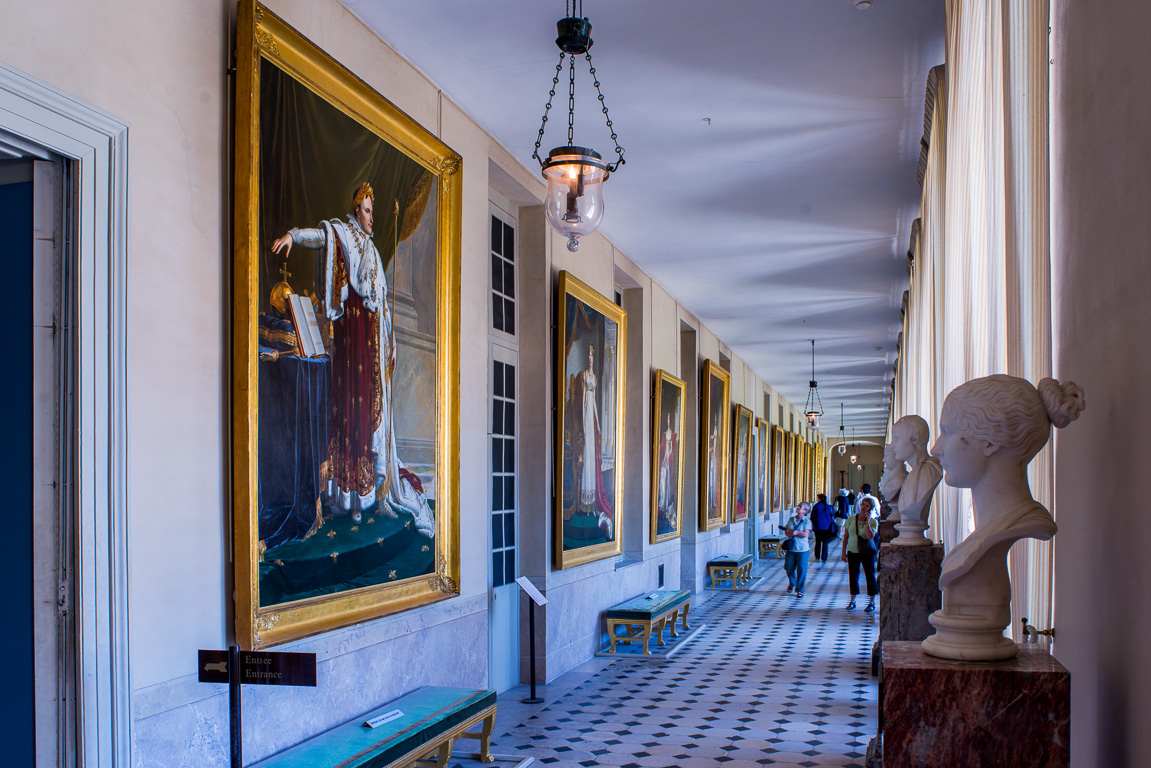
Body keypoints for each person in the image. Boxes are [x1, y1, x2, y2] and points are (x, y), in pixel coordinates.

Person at [271, 183, 433, 535]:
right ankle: (349, 498)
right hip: (350, 343)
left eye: (373, 211)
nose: (372, 218)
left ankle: (372, 492)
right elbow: (319, 236)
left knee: (369, 415)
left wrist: (391, 341)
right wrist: (293, 236)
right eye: (368, 210)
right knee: (350, 413)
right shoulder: (342, 234)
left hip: (372, 345)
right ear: (357, 208)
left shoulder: (373, 252)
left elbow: (384, 303)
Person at [922, 375, 1084, 660]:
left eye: (946, 431)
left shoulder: (1015, 523)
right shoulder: (989, 531)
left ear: (989, 442)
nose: (936, 449)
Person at [842, 495, 879, 611]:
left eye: (867, 506)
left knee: (870, 575)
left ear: (870, 509)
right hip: (853, 551)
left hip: (867, 552)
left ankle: (871, 602)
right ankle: (852, 600)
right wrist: (843, 552)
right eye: (863, 504)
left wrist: (867, 522)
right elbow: (846, 536)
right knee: (853, 576)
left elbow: (869, 537)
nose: (864, 507)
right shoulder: (851, 519)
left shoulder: (873, 522)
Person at [783, 502, 812, 597]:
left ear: (805, 511)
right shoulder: (791, 519)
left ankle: (800, 589)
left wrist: (795, 532)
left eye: (801, 507)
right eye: (798, 506)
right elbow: (786, 532)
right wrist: (796, 532)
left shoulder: (807, 521)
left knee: (801, 569)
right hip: (791, 548)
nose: (798, 507)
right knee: (788, 567)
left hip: (802, 549)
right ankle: (792, 583)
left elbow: (805, 534)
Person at [809, 493, 836, 562]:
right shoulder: (828, 507)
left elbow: (812, 516)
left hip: (818, 527)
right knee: (825, 542)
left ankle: (817, 556)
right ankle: (824, 557)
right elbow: (832, 516)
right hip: (827, 527)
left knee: (818, 542)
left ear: (820, 499)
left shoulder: (816, 506)